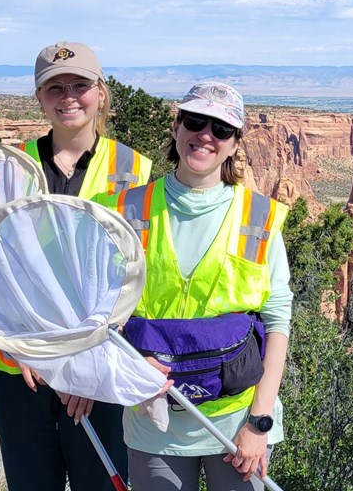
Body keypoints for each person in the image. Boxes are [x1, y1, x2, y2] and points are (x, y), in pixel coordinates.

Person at [93, 81, 293, 491]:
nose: (205, 135)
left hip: (238, 422)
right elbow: (98, 310)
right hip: (154, 423)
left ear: (236, 143)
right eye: (195, 120)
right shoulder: (125, 210)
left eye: (221, 129)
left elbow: (277, 322)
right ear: (176, 126)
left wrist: (259, 422)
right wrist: (128, 366)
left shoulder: (260, 217)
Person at [0, 40, 154, 491]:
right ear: (39, 98)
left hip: (96, 366)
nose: (69, 96)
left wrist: (84, 367)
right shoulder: (9, 167)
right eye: (54, 87)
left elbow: (133, 278)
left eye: (80, 84)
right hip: (18, 363)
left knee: (100, 482)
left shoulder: (135, 169)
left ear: (101, 92)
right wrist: (19, 349)